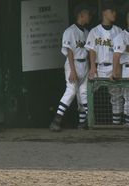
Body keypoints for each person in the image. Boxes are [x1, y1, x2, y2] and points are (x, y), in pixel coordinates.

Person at [50, 3, 93, 132]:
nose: (90, 16)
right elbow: (69, 52)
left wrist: (91, 67)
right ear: (81, 15)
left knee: (83, 94)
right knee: (71, 91)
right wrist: (73, 70)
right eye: (87, 14)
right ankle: (56, 121)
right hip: (72, 63)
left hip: (84, 64)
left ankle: (82, 123)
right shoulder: (70, 31)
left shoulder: (87, 32)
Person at [85, 0, 123, 125]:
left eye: (115, 11)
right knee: (88, 92)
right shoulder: (94, 31)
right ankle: (87, 120)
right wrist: (92, 67)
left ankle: (116, 124)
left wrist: (117, 69)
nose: (114, 13)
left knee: (116, 96)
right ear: (104, 13)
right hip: (99, 67)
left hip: (114, 67)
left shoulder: (118, 31)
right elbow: (92, 50)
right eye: (111, 11)